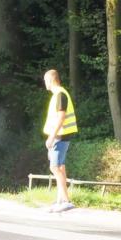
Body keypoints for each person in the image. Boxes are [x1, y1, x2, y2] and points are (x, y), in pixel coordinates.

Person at [42, 69, 77, 212]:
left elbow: (61, 117)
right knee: (60, 167)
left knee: (54, 167)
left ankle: (66, 201)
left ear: (51, 80)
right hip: (61, 135)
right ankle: (61, 200)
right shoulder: (59, 94)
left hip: (60, 136)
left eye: (45, 80)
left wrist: (51, 137)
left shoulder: (60, 94)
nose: (45, 83)